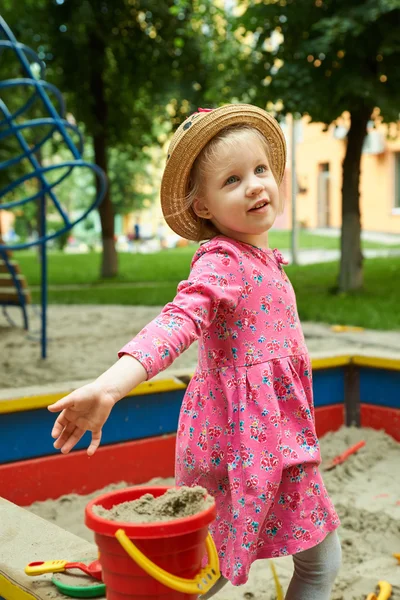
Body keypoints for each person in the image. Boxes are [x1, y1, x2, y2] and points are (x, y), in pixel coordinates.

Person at [48, 104, 341, 599]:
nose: (253, 185)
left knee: (214, 562)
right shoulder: (223, 261)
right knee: (306, 563)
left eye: (260, 170)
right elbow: (179, 320)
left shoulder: (262, 259)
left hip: (261, 438)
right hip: (252, 445)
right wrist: (110, 385)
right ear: (202, 207)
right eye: (231, 180)